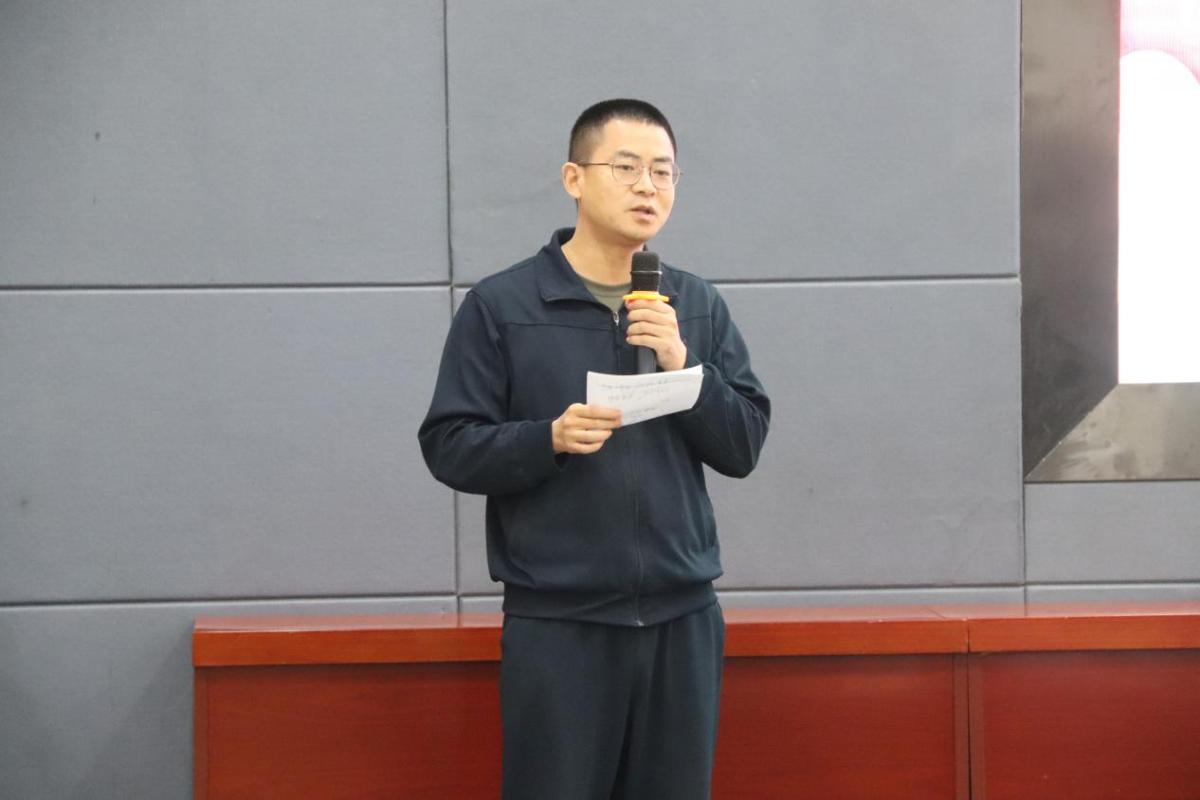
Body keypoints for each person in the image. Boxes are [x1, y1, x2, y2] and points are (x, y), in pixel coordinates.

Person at [418, 98, 770, 800]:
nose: (648, 187)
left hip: (681, 617)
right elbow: (449, 445)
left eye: (663, 172)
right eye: (627, 168)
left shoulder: (695, 306)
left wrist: (685, 368)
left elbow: (743, 445)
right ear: (574, 178)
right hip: (560, 624)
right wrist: (546, 439)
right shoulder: (504, 306)